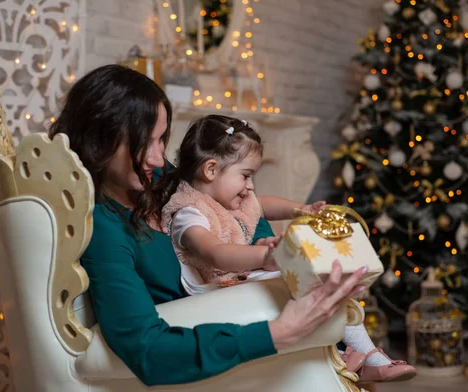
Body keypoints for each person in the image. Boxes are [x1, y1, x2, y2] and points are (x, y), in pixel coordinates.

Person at [48, 64, 368, 386]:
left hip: (238, 295)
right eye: (147, 142)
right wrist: (279, 333)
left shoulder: (155, 178)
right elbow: (147, 348)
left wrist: (263, 252)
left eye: (162, 140)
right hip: (209, 335)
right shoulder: (103, 228)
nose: (159, 158)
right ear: (101, 138)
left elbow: (238, 210)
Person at [143, 115, 417, 383]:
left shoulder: (235, 200)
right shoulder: (189, 212)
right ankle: (351, 357)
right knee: (306, 287)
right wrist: (265, 256)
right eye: (246, 175)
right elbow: (215, 253)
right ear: (211, 170)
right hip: (214, 288)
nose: (250, 186)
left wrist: (301, 210)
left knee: (321, 283)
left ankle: (361, 354)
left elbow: (264, 204)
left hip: (238, 279)